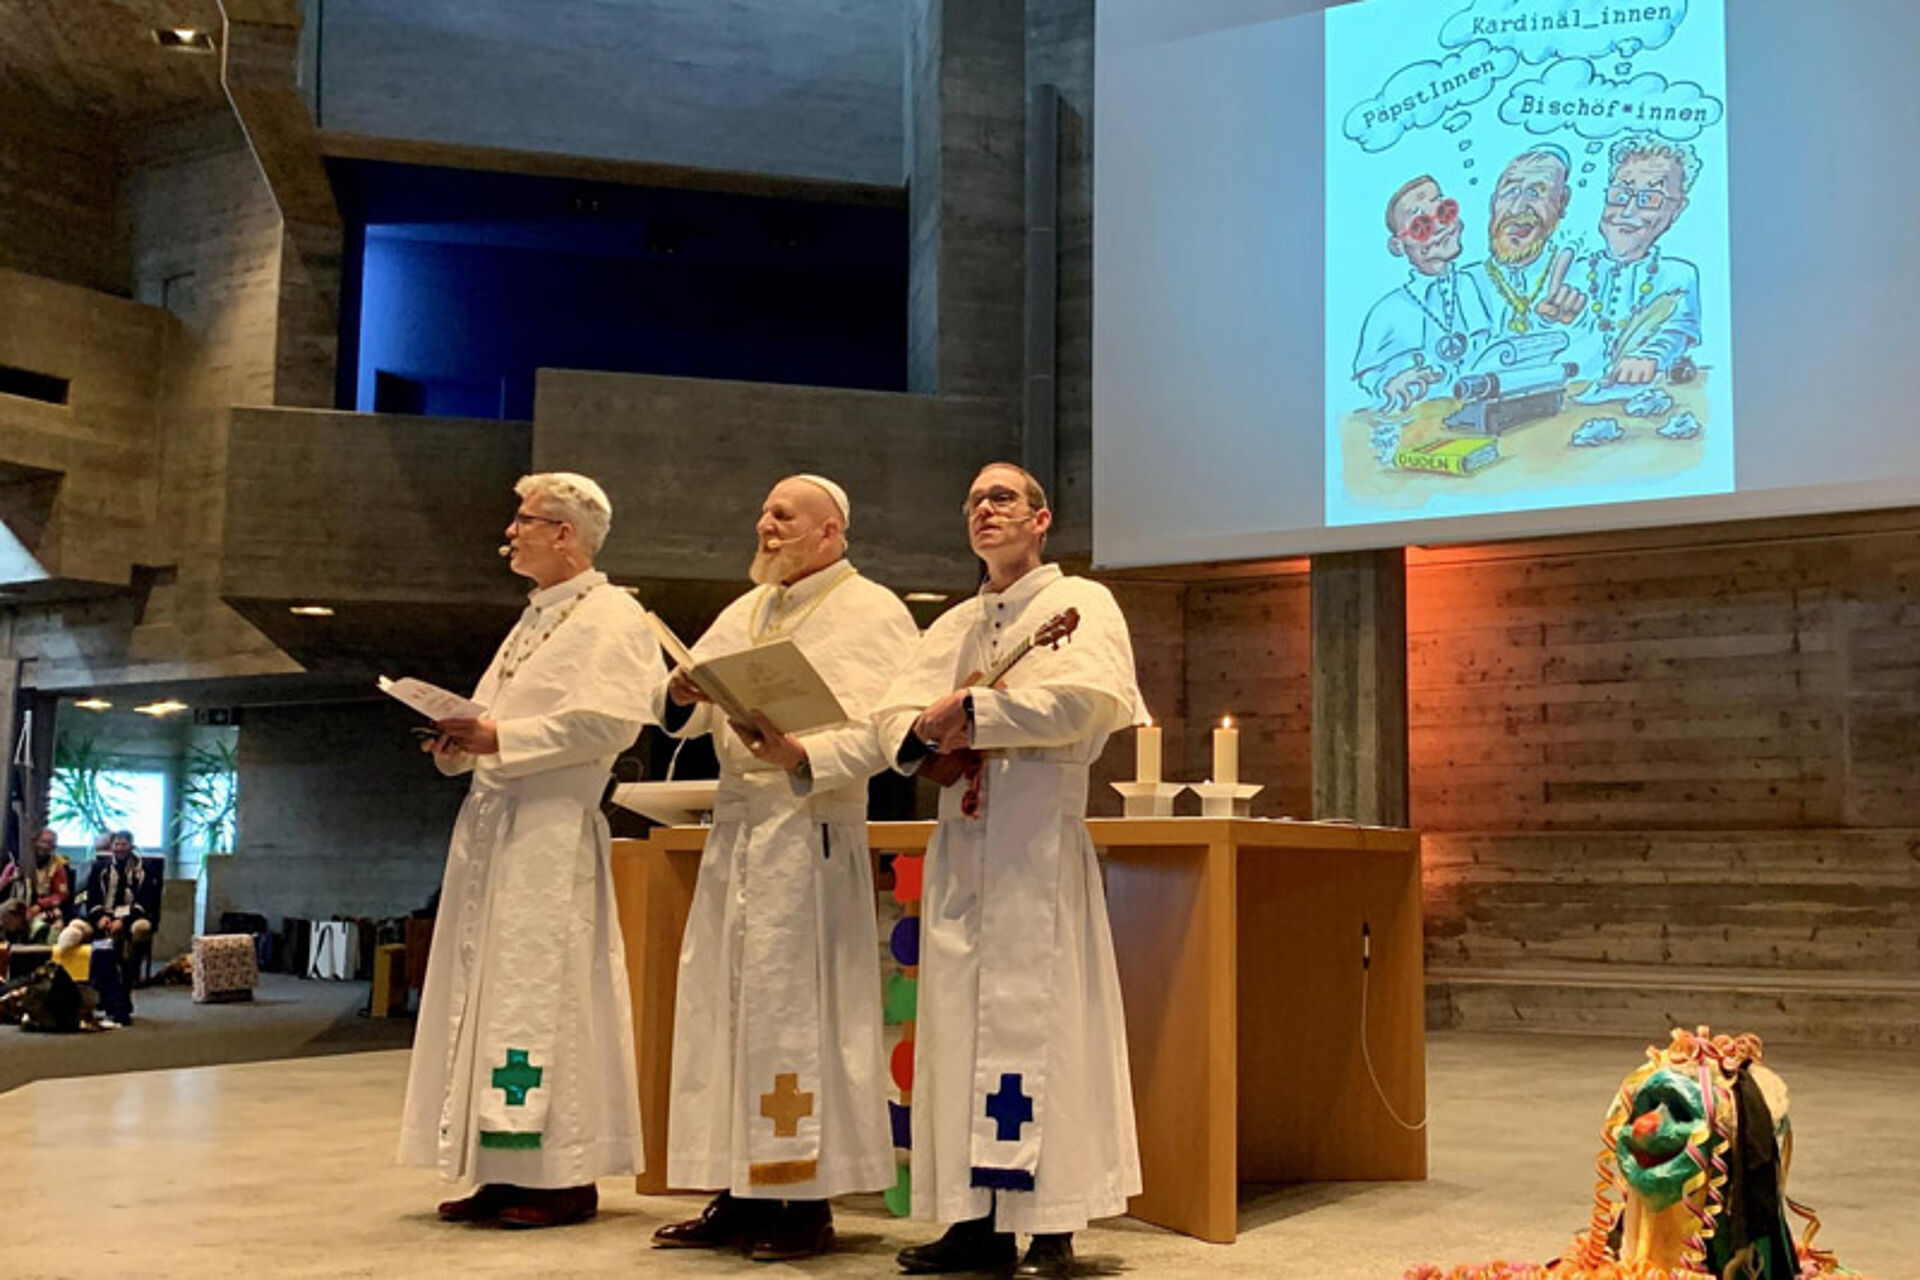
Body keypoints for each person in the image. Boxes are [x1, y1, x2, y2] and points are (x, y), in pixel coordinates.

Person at [876, 463, 1146, 1280]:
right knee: (955, 1030)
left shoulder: (1082, 604)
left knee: (1047, 1027)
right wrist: (921, 734)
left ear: (1041, 518)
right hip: (963, 849)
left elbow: (1093, 701)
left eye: (1001, 498)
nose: (983, 510)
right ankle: (974, 1223)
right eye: (972, 502)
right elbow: (891, 713)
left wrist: (977, 713)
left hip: (1036, 844)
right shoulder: (956, 623)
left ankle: (1051, 1224)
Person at [651, 475, 917, 1262]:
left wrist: (804, 753)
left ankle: (801, 1200)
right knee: (727, 1007)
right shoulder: (747, 609)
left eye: (782, 516)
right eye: (764, 513)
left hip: (808, 828)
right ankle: (739, 1190)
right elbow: (688, 710)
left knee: (796, 1012)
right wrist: (681, 690)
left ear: (831, 531)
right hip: (739, 831)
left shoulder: (872, 611)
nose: (764, 525)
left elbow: (884, 729)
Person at [398, 471, 665, 1229]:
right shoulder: (535, 619)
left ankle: (561, 1176)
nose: (509, 533)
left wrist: (499, 738)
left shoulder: (613, 616)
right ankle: (501, 1165)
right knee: (487, 992)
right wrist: (460, 742)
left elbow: (612, 723)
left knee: (546, 995)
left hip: (551, 830)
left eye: (524, 520)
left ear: (565, 534)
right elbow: (494, 718)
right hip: (496, 829)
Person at [1352, 174, 1497, 409]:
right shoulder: (1388, 311)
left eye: (1444, 212)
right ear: (1398, 245)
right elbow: (1367, 376)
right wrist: (1388, 385)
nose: (1440, 227)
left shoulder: (1475, 284)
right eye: (1421, 226)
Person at [1573, 134, 1704, 386]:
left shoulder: (1678, 276)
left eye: (1649, 199)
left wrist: (1651, 356)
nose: (1628, 211)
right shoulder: (1573, 272)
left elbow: (1679, 329)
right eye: (1620, 195)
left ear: (1676, 210)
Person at [1472, 146, 1587, 337]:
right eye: (1510, 191)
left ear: (1562, 202)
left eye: (1534, 193)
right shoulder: (1464, 283)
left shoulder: (1579, 276)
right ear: (1493, 202)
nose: (1517, 209)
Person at [61, 831, 151, 983]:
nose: (120, 848)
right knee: (74, 929)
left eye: (124, 844)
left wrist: (123, 921)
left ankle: (130, 974)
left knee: (142, 928)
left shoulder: (143, 870)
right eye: (117, 844)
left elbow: (146, 901)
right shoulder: (99, 868)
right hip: (101, 915)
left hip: (131, 917)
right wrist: (100, 917)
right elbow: (91, 897)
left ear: (131, 846)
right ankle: (68, 971)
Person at [1, 827, 71, 944]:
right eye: (43, 842)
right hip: (16, 907)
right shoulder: (16, 865)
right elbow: (1, 885)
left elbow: (60, 895)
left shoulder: (58, 866)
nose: (45, 846)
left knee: (51, 928)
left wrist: (39, 906)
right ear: (34, 842)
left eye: (50, 843)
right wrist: (12, 879)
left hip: (44, 909)